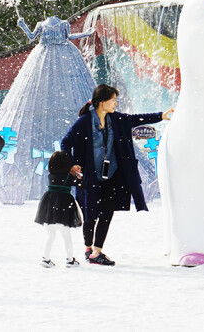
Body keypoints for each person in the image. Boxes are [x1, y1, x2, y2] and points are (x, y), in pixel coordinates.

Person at [0, 0, 96, 204]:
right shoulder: (43, 24)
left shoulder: (64, 24)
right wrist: (22, 24)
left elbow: (70, 37)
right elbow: (31, 36)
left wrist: (85, 34)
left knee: (65, 95)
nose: (51, 9)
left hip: (64, 59)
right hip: (44, 58)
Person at [60, 84, 173, 266]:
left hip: (112, 175)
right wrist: (72, 164)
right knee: (90, 213)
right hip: (90, 177)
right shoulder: (84, 122)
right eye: (112, 100)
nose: (115, 103)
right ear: (102, 102)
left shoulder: (117, 119)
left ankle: (97, 251)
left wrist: (161, 116)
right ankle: (88, 248)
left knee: (107, 212)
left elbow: (137, 119)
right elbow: (65, 143)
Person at [34, 150, 82, 268]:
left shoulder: (51, 176)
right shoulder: (68, 177)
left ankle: (45, 258)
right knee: (67, 237)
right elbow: (79, 183)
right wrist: (77, 176)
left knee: (50, 236)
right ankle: (70, 260)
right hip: (63, 210)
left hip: (49, 211)